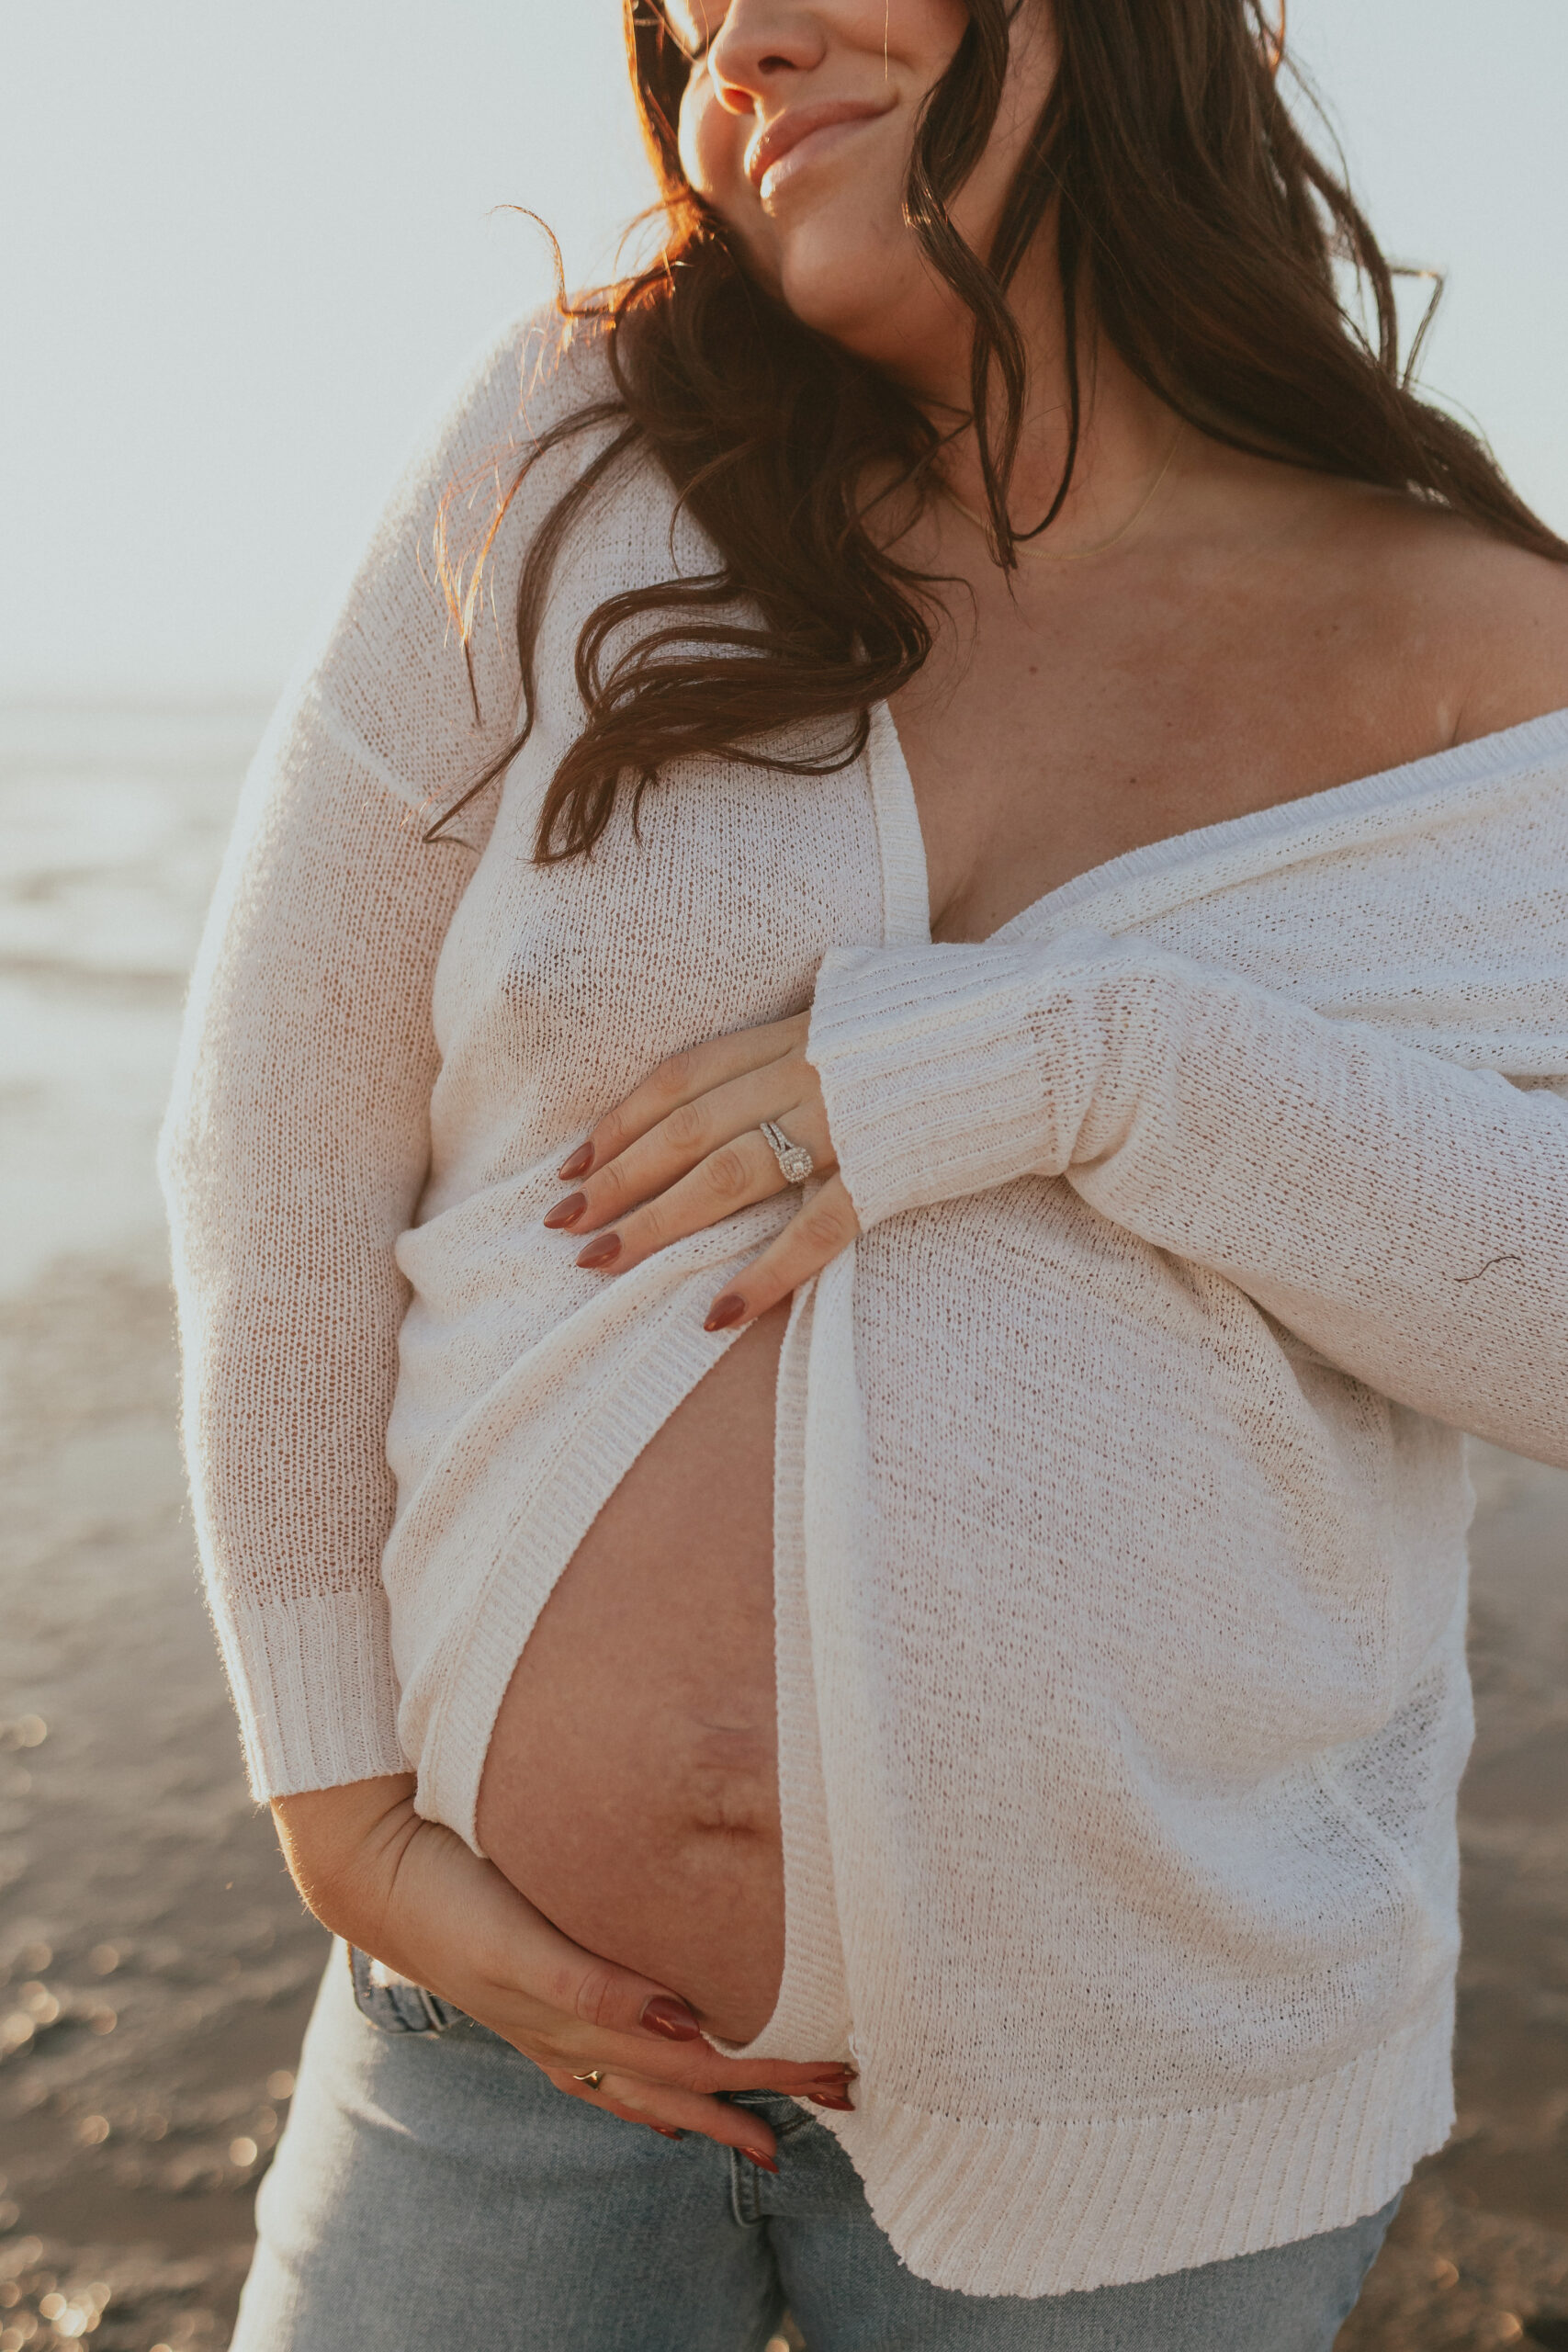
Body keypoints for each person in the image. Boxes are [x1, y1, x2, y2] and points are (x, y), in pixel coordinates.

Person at [161, 2, 1568, 2345]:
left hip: (1144, 2124)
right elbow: (280, 1130)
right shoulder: (576, 445)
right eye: (682, 12)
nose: (736, 40)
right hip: (500, 2054)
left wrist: (1083, 1057)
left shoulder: (1485, 650)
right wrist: (333, 1796)